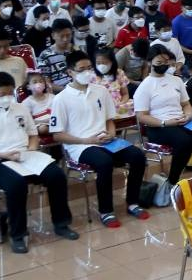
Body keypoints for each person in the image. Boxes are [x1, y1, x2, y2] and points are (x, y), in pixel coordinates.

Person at [0, 71, 78, 253]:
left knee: (56, 175)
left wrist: (32, 149)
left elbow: (33, 134)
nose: (7, 97)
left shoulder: (20, 108)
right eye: (2, 94)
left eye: (10, 93)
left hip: (24, 155)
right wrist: (4, 155)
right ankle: (18, 234)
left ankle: (61, 224)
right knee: (16, 185)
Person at [50, 51, 148, 228]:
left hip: (105, 140)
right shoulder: (61, 99)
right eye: (81, 69)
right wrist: (87, 141)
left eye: (89, 68)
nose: (87, 72)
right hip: (80, 145)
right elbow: (57, 134)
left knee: (138, 156)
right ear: (70, 72)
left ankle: (133, 202)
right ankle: (106, 211)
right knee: (104, 162)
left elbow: (109, 120)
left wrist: (111, 133)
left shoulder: (101, 91)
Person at [134, 44, 192, 185]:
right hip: (158, 126)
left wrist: (188, 115)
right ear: (150, 62)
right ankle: (172, 180)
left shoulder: (176, 80)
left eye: (166, 62)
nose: (164, 65)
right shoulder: (145, 86)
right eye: (159, 62)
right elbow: (141, 116)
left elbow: (186, 104)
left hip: (181, 120)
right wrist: (165, 122)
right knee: (184, 141)